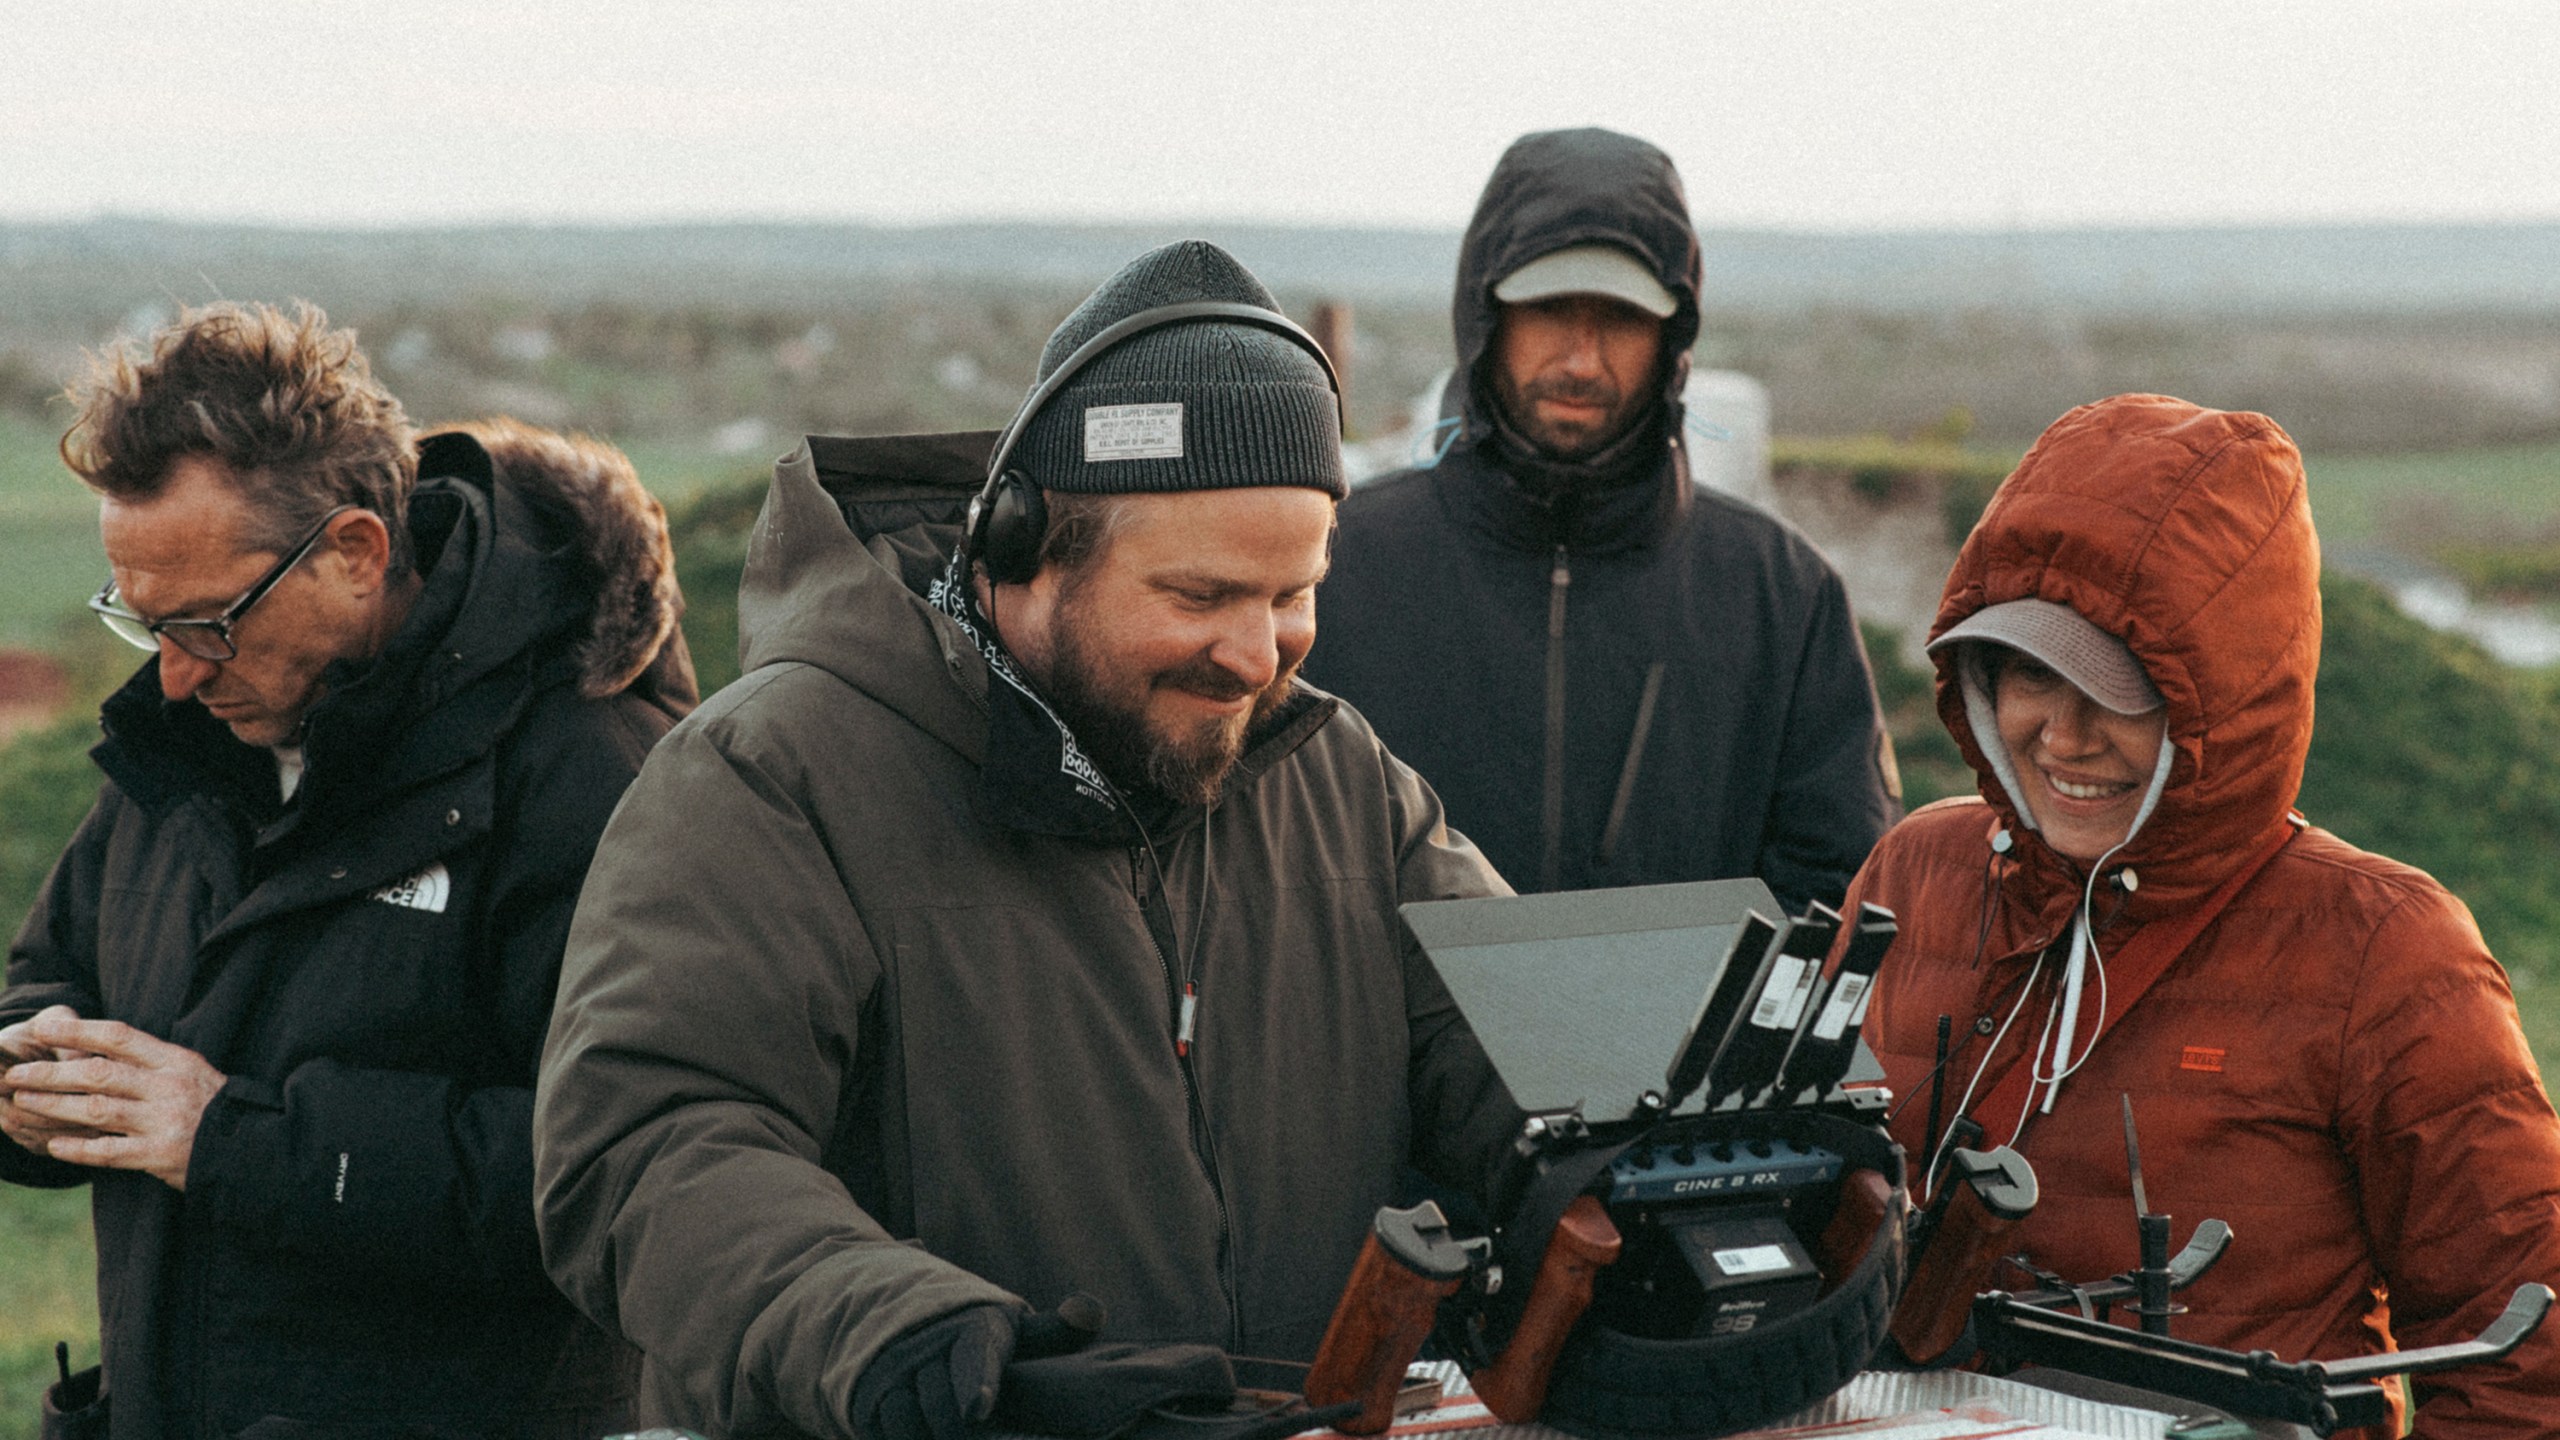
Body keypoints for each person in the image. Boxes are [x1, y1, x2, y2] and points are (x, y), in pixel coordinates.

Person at [533, 240, 1520, 1440]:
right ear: (1023, 548)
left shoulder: (1337, 774)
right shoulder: (771, 777)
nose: (1258, 656)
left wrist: (1646, 1180)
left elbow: (1522, 1046)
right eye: (1200, 598)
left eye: (1291, 595)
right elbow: (645, 1145)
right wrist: (905, 1339)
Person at [0, 303, 695, 1440]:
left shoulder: (594, 779)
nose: (173, 678)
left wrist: (232, 1139)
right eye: (143, 624)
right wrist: (29, 1081)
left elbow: (622, 1171)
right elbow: (54, 971)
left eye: (209, 626)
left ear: (356, 553)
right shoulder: (184, 739)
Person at [1856, 393, 2560, 1436]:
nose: (2063, 735)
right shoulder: (1916, 870)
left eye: (2120, 685)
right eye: (2026, 674)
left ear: (2223, 702)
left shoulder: (2382, 947)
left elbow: (2526, 1356)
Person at [1306, 127, 1899, 909]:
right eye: (1549, 308)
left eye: (1620, 318)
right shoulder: (1336, 572)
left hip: (1690, 1036)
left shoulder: (1780, 596)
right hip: (1385, 1037)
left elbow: (1841, 897)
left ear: (1672, 337)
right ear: (1487, 318)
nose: (1582, 359)